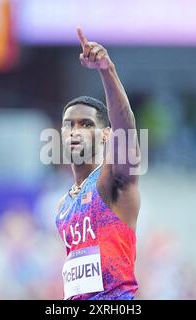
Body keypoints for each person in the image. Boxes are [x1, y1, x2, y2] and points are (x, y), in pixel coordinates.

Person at [55, 27, 141, 300]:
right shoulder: (62, 206)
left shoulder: (111, 180)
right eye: (69, 125)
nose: (75, 131)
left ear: (105, 134)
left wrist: (107, 70)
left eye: (85, 124)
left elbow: (125, 129)